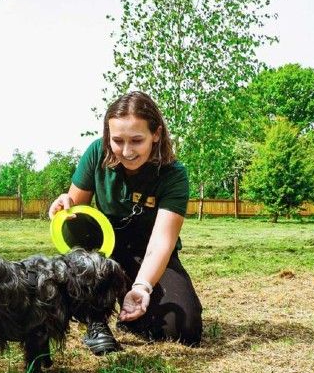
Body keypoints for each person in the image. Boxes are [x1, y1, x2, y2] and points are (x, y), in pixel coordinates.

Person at [48, 91, 202, 355]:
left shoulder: (174, 175)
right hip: (104, 251)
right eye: (117, 140)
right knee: (77, 221)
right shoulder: (96, 153)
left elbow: (162, 242)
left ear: (156, 134)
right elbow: (74, 217)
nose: (127, 151)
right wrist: (65, 202)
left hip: (148, 253)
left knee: (183, 329)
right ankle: (94, 317)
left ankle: (128, 302)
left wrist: (142, 286)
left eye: (137, 140)